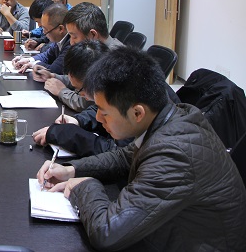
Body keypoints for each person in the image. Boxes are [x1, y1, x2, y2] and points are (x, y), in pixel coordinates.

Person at [36, 47, 246, 251]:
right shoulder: (170, 118)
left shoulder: (174, 155)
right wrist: (71, 170)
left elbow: (106, 232)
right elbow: (123, 157)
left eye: (103, 112)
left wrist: (85, 186)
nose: (98, 118)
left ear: (137, 113)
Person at [31, 40, 136, 157]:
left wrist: (69, 134)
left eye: (80, 90)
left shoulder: (127, 98)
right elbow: (97, 109)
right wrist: (79, 120)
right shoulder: (112, 83)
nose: (80, 95)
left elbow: (117, 152)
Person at [35, 2, 124, 111]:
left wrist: (61, 91)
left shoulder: (113, 62)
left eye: (74, 36)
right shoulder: (96, 52)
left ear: (93, 35)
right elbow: (82, 79)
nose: (71, 42)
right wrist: (53, 76)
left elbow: (91, 104)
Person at [13, 3, 69, 75]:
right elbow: (47, 55)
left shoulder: (71, 43)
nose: (44, 33)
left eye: (45, 29)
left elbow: (54, 70)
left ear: (60, 29)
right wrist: (28, 60)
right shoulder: (59, 39)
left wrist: (33, 64)